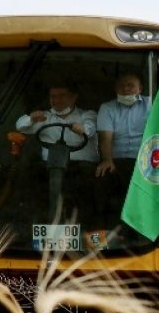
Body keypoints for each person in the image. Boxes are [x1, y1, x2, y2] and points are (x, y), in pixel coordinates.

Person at [15, 83, 99, 222]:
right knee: (29, 177)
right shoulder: (44, 117)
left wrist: (82, 129)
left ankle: (86, 225)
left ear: (74, 97)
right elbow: (20, 126)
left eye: (62, 96)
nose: (56, 100)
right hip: (49, 168)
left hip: (82, 169)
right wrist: (31, 119)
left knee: (88, 186)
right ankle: (39, 222)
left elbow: (90, 128)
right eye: (53, 96)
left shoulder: (87, 114)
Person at [95, 72, 150, 225]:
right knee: (102, 181)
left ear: (140, 89)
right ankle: (109, 233)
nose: (125, 89)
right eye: (121, 86)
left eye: (130, 85)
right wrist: (107, 160)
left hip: (144, 161)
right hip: (116, 160)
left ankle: (137, 233)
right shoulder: (107, 108)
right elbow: (105, 137)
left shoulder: (152, 104)